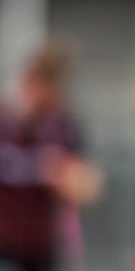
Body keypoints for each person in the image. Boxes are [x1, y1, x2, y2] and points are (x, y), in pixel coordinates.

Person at [0, 39, 104, 271]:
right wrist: (41, 168)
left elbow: (88, 184)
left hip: (45, 248)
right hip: (6, 245)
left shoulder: (63, 126)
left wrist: (73, 178)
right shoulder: (5, 124)